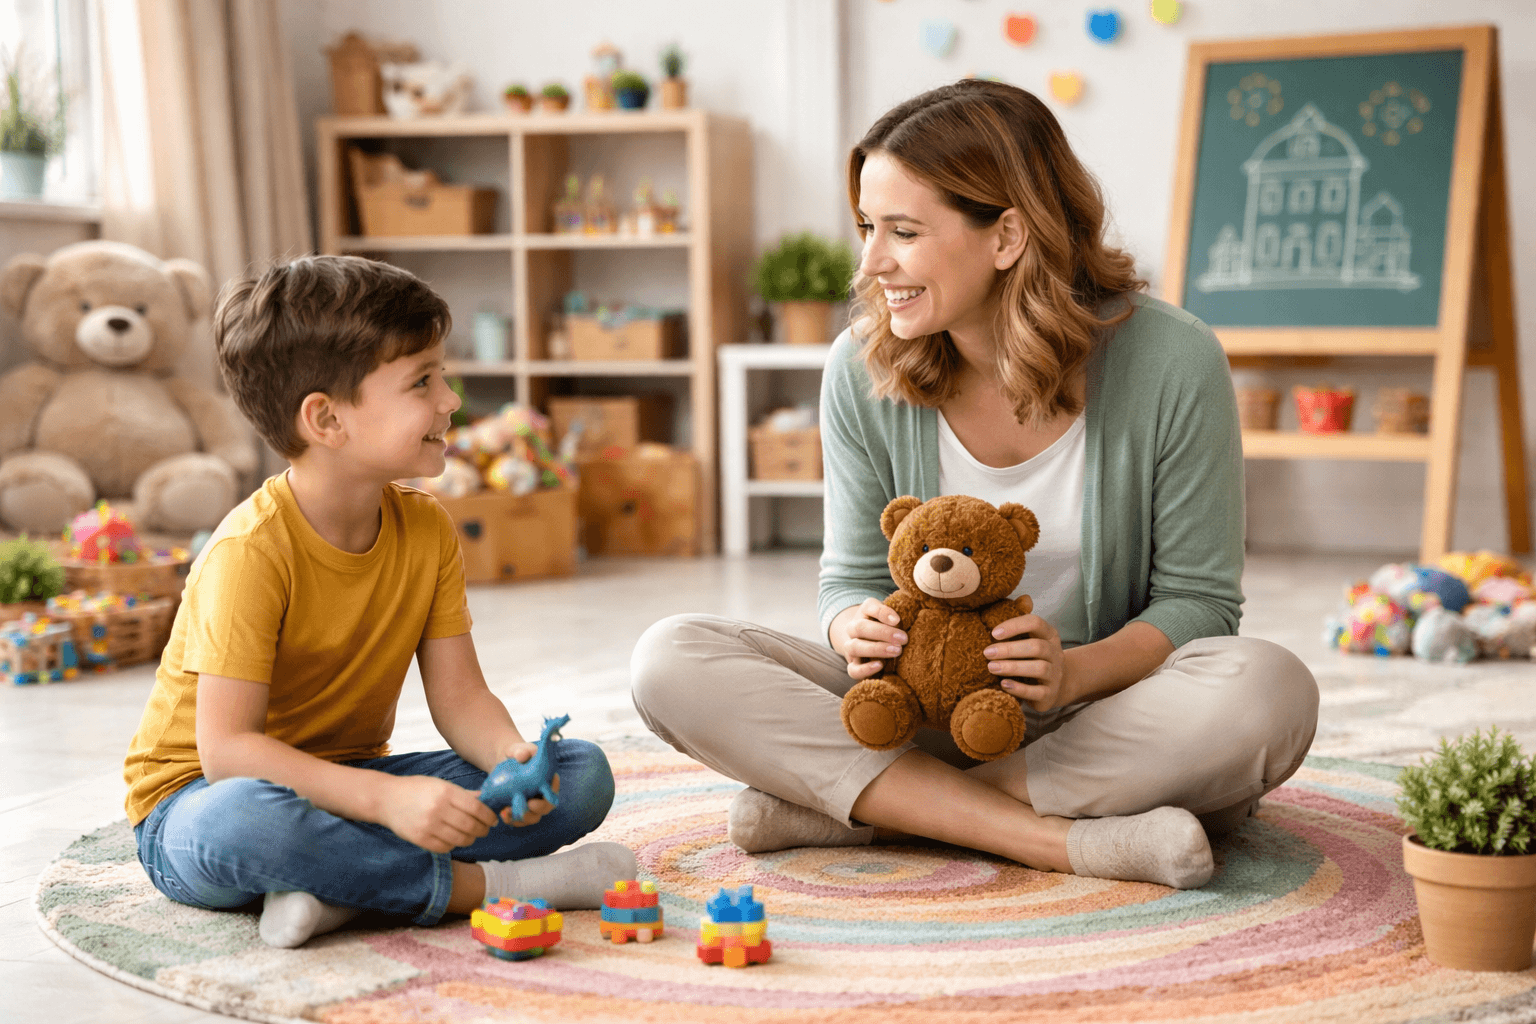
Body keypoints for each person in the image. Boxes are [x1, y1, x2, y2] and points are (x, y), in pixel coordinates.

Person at [631, 80, 1318, 889]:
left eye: (903, 232)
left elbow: (1201, 602)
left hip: (1096, 716)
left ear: (1008, 235)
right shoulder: (859, 367)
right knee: (669, 658)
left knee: (1270, 690)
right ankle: (1055, 839)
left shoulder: (1173, 360)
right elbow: (849, 578)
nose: (871, 262)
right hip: (911, 714)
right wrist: (854, 625)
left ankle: (878, 813)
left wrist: (1074, 670)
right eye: (866, 228)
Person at [124, 256, 633, 948]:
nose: (450, 400)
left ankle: (339, 891)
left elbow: (462, 698)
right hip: (198, 807)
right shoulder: (250, 551)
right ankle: (492, 887)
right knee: (246, 822)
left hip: (351, 783)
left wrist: (512, 758)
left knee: (581, 776)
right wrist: (388, 802)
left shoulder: (425, 527)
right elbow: (228, 753)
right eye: (422, 381)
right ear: (327, 419)